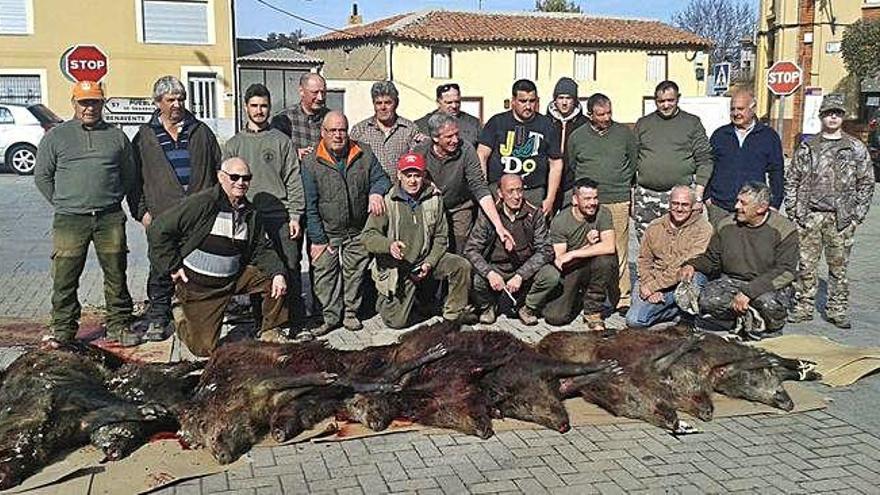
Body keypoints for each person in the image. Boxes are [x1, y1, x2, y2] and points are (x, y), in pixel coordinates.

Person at [34, 81, 141, 346]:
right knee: (65, 276)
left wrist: (112, 197)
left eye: (94, 102)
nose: (89, 108)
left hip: (109, 218)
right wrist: (63, 202)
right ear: (74, 104)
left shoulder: (117, 136)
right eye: (84, 103)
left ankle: (119, 324)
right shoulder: (56, 137)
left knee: (116, 273)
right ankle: (63, 329)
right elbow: (42, 176)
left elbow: (129, 175)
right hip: (70, 220)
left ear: (102, 104)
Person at [148, 158, 288, 356]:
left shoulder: (250, 212)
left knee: (274, 278)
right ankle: (180, 314)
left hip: (233, 280)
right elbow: (158, 229)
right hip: (200, 288)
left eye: (246, 178)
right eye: (234, 177)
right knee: (203, 349)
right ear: (221, 177)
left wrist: (278, 272)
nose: (240, 182)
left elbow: (261, 248)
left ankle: (270, 329)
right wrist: (172, 266)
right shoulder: (204, 203)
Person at [132, 75, 222, 341]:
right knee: (160, 268)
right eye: (170, 99)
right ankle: (158, 317)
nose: (177, 104)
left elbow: (218, 168)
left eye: (181, 99)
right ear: (157, 102)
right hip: (162, 216)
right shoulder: (144, 136)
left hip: (198, 215)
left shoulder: (201, 131)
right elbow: (133, 179)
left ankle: (196, 314)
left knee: (195, 268)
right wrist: (142, 212)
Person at [786, 94, 875, 329]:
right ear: (821, 116)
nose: (833, 117)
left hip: (841, 218)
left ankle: (837, 310)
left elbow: (866, 182)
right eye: (828, 113)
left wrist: (857, 215)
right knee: (806, 265)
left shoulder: (855, 146)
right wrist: (794, 211)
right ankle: (804, 306)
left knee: (838, 267)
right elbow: (792, 178)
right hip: (810, 215)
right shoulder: (808, 146)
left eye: (837, 113)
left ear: (843, 116)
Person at [223, 83, 305, 335]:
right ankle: (263, 323)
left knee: (289, 266)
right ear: (246, 107)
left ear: (270, 108)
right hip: (248, 217)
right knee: (259, 270)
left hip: (280, 214)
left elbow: (293, 177)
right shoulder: (234, 144)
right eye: (255, 106)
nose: (259, 111)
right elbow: (226, 183)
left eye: (264, 106)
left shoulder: (281, 141)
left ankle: (295, 321)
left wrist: (295, 215)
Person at [302, 111, 391, 335]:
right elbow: (310, 206)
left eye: (342, 130)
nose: (338, 135)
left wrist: (376, 193)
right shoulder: (311, 162)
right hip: (327, 229)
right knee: (325, 273)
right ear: (323, 133)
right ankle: (330, 317)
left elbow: (381, 178)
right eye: (333, 130)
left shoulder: (363, 152)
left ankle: (351, 313)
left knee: (355, 273)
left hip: (357, 227)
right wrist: (318, 239)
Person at [362, 153, 471, 328]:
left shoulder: (434, 198)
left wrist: (429, 262)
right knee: (396, 322)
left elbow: (441, 237)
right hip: (400, 267)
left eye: (417, 175)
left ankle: (452, 317)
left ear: (424, 176)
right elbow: (368, 236)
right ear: (399, 175)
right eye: (408, 175)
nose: (412, 181)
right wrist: (389, 246)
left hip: (425, 261)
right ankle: (388, 300)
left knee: (460, 265)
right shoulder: (387, 201)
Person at [679, 182, 798, 339]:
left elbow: (786, 270)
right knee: (707, 299)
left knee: (769, 304)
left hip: (768, 284)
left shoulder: (784, 229)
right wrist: (691, 265)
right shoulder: (726, 225)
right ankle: (741, 319)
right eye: (737, 200)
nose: (736, 206)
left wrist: (748, 292)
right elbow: (712, 259)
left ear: (761, 208)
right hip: (734, 282)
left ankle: (771, 327)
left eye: (743, 203)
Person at [566, 93, 638, 312]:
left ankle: (622, 298)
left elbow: (632, 162)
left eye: (609, 113)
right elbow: (573, 164)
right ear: (590, 114)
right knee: (588, 247)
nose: (606, 118)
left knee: (619, 250)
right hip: (589, 203)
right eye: (600, 114)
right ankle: (587, 296)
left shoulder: (624, 134)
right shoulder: (577, 137)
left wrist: (625, 187)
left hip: (617, 198)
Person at [464, 174, 558, 325]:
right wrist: (489, 273)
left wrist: (521, 274)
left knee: (550, 275)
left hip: (523, 266)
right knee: (473, 277)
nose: (516, 196)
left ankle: (528, 307)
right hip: (496, 266)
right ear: (500, 193)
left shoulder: (534, 213)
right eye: (511, 191)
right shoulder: (489, 215)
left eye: (520, 190)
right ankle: (488, 306)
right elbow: (471, 249)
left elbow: (546, 249)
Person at [414, 113, 512, 253]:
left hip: (459, 207)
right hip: (429, 206)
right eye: (449, 136)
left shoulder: (466, 149)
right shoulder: (421, 151)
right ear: (435, 138)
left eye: (456, 134)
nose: (455, 140)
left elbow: (479, 187)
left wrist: (499, 226)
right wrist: (427, 183)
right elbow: (408, 180)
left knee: (460, 247)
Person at [633, 80, 713, 239]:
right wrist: (632, 196)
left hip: (679, 198)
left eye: (670, 100)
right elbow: (632, 160)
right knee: (647, 245)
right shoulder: (643, 124)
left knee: (679, 245)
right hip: (646, 196)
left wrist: (697, 196)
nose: (666, 105)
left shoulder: (692, 123)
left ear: (678, 98)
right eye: (661, 101)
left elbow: (705, 160)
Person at [626, 186, 712, 328]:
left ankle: (687, 313)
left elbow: (682, 265)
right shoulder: (655, 226)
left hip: (681, 281)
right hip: (654, 279)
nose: (679, 209)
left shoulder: (703, 229)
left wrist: (654, 287)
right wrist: (647, 284)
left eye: (684, 205)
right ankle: (675, 311)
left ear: (692, 206)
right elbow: (644, 260)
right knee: (634, 320)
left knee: (694, 277)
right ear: (669, 204)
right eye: (675, 204)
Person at [477, 79, 563, 216]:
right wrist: (483, 190)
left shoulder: (547, 125)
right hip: (500, 190)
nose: (528, 106)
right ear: (513, 101)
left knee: (534, 234)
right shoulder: (497, 122)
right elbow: (482, 154)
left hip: (532, 191)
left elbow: (556, 164)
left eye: (532, 101)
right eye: (523, 101)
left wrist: (550, 198)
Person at [543, 178, 618, 330]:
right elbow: (560, 261)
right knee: (555, 318)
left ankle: (593, 310)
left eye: (595, 198)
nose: (593, 203)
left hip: (594, 265)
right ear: (575, 200)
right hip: (572, 270)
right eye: (587, 199)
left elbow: (609, 246)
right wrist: (588, 246)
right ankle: (577, 299)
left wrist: (574, 253)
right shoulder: (560, 221)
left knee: (606, 260)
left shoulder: (603, 213)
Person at [706, 89, 784, 225]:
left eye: (740, 108)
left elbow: (776, 172)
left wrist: (775, 203)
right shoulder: (720, 135)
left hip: (753, 208)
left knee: (750, 245)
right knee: (719, 245)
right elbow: (707, 165)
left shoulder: (768, 136)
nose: (736, 113)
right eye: (733, 109)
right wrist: (707, 197)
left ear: (752, 109)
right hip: (720, 206)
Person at [350, 81, 425, 177]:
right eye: (378, 103)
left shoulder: (409, 129)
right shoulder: (359, 131)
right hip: (369, 190)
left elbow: (416, 163)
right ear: (373, 104)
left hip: (399, 190)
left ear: (396, 104)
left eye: (388, 103)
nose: (383, 107)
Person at [546, 77, 589, 202]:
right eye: (560, 98)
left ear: (575, 100)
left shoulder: (584, 124)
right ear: (555, 100)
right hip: (548, 183)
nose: (564, 102)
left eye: (568, 98)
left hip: (573, 184)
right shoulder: (545, 122)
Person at [271, 73, 330, 161]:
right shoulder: (283, 119)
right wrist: (295, 153)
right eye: (315, 92)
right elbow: (274, 151)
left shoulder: (330, 118)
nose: (320, 97)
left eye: (323, 92)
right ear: (301, 91)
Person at [415, 83, 482, 148]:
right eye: (449, 102)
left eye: (457, 102)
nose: (454, 106)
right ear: (438, 102)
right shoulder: (421, 125)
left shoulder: (473, 124)